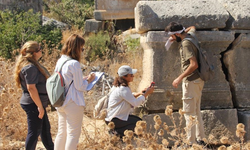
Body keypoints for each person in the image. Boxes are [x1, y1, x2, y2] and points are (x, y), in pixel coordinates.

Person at [165, 22, 206, 145]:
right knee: (196, 111)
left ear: (177, 34)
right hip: (199, 80)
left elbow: (194, 64)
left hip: (191, 81)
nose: (171, 39)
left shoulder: (186, 44)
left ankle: (190, 143)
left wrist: (179, 78)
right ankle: (200, 140)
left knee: (189, 113)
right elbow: (192, 27)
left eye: (172, 36)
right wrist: (177, 34)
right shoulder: (190, 36)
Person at [54, 34, 95, 150]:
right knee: (73, 134)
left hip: (61, 101)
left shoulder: (60, 61)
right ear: (76, 48)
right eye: (82, 48)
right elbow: (80, 87)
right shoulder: (74, 63)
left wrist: (84, 78)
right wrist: (89, 80)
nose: (82, 51)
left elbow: (68, 80)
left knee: (62, 133)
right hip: (73, 102)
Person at [14, 41, 54, 150]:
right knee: (34, 132)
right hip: (34, 103)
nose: (41, 50)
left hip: (37, 103)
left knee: (45, 130)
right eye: (40, 49)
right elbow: (31, 88)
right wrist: (40, 106)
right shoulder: (30, 67)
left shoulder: (32, 65)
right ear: (34, 53)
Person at [105, 65, 154, 137]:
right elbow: (136, 103)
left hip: (114, 118)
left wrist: (140, 93)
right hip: (115, 119)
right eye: (131, 75)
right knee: (139, 124)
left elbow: (128, 97)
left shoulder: (119, 86)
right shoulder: (123, 89)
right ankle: (116, 134)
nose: (133, 76)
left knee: (138, 121)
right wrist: (146, 93)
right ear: (124, 76)